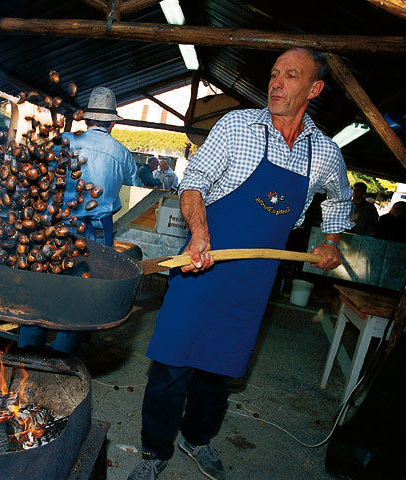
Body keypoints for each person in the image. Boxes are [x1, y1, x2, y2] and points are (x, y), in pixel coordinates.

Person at [129, 48, 352, 480]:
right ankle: (155, 451)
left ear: (315, 88)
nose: (277, 83)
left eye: (291, 75)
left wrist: (331, 240)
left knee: (219, 370)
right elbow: (193, 183)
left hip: (252, 283)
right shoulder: (237, 126)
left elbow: (341, 197)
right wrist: (199, 233)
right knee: (172, 364)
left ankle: (197, 439)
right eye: (274, 74)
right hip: (201, 264)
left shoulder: (323, 154)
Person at [18, 86, 141, 355]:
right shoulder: (121, 154)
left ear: (87, 120)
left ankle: (27, 353)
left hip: (54, 225)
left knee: (42, 287)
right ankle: (63, 358)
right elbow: (139, 186)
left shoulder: (63, 140)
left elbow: (35, 176)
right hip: (94, 232)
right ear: (111, 123)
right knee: (80, 292)